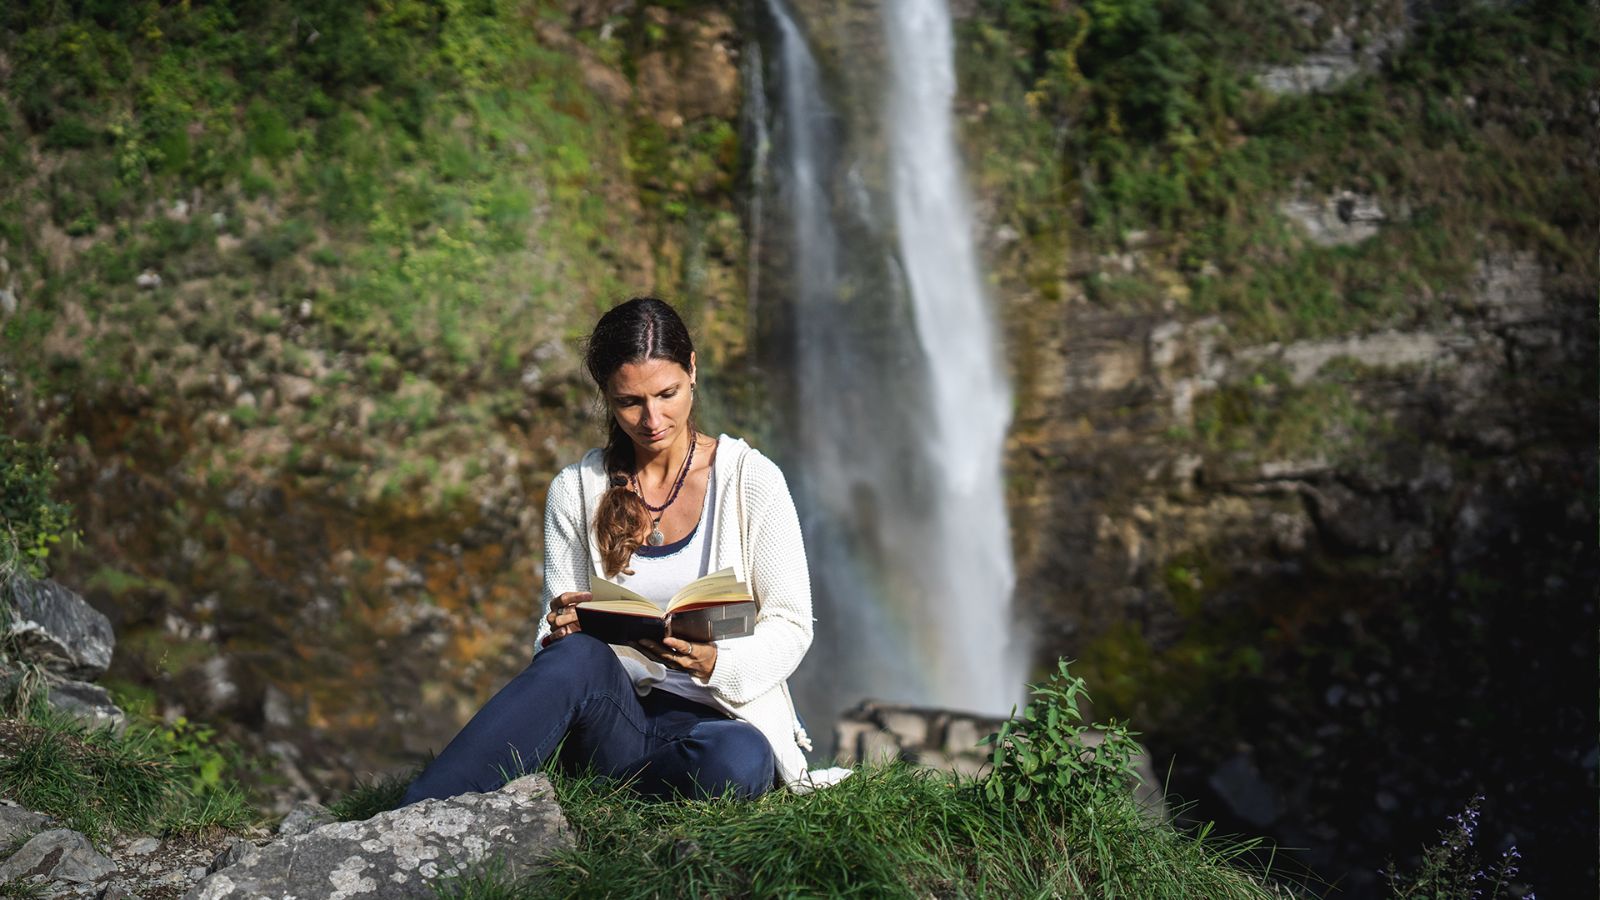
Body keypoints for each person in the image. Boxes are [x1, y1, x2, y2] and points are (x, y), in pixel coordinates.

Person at [401, 297, 813, 804]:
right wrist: (558, 632)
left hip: (722, 720)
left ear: (693, 371)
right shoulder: (574, 490)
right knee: (575, 656)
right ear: (606, 396)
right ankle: (416, 812)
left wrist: (712, 663)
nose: (652, 419)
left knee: (739, 756)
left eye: (668, 394)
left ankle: (602, 798)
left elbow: (791, 625)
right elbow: (551, 648)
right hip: (614, 718)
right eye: (629, 402)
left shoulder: (753, 480)